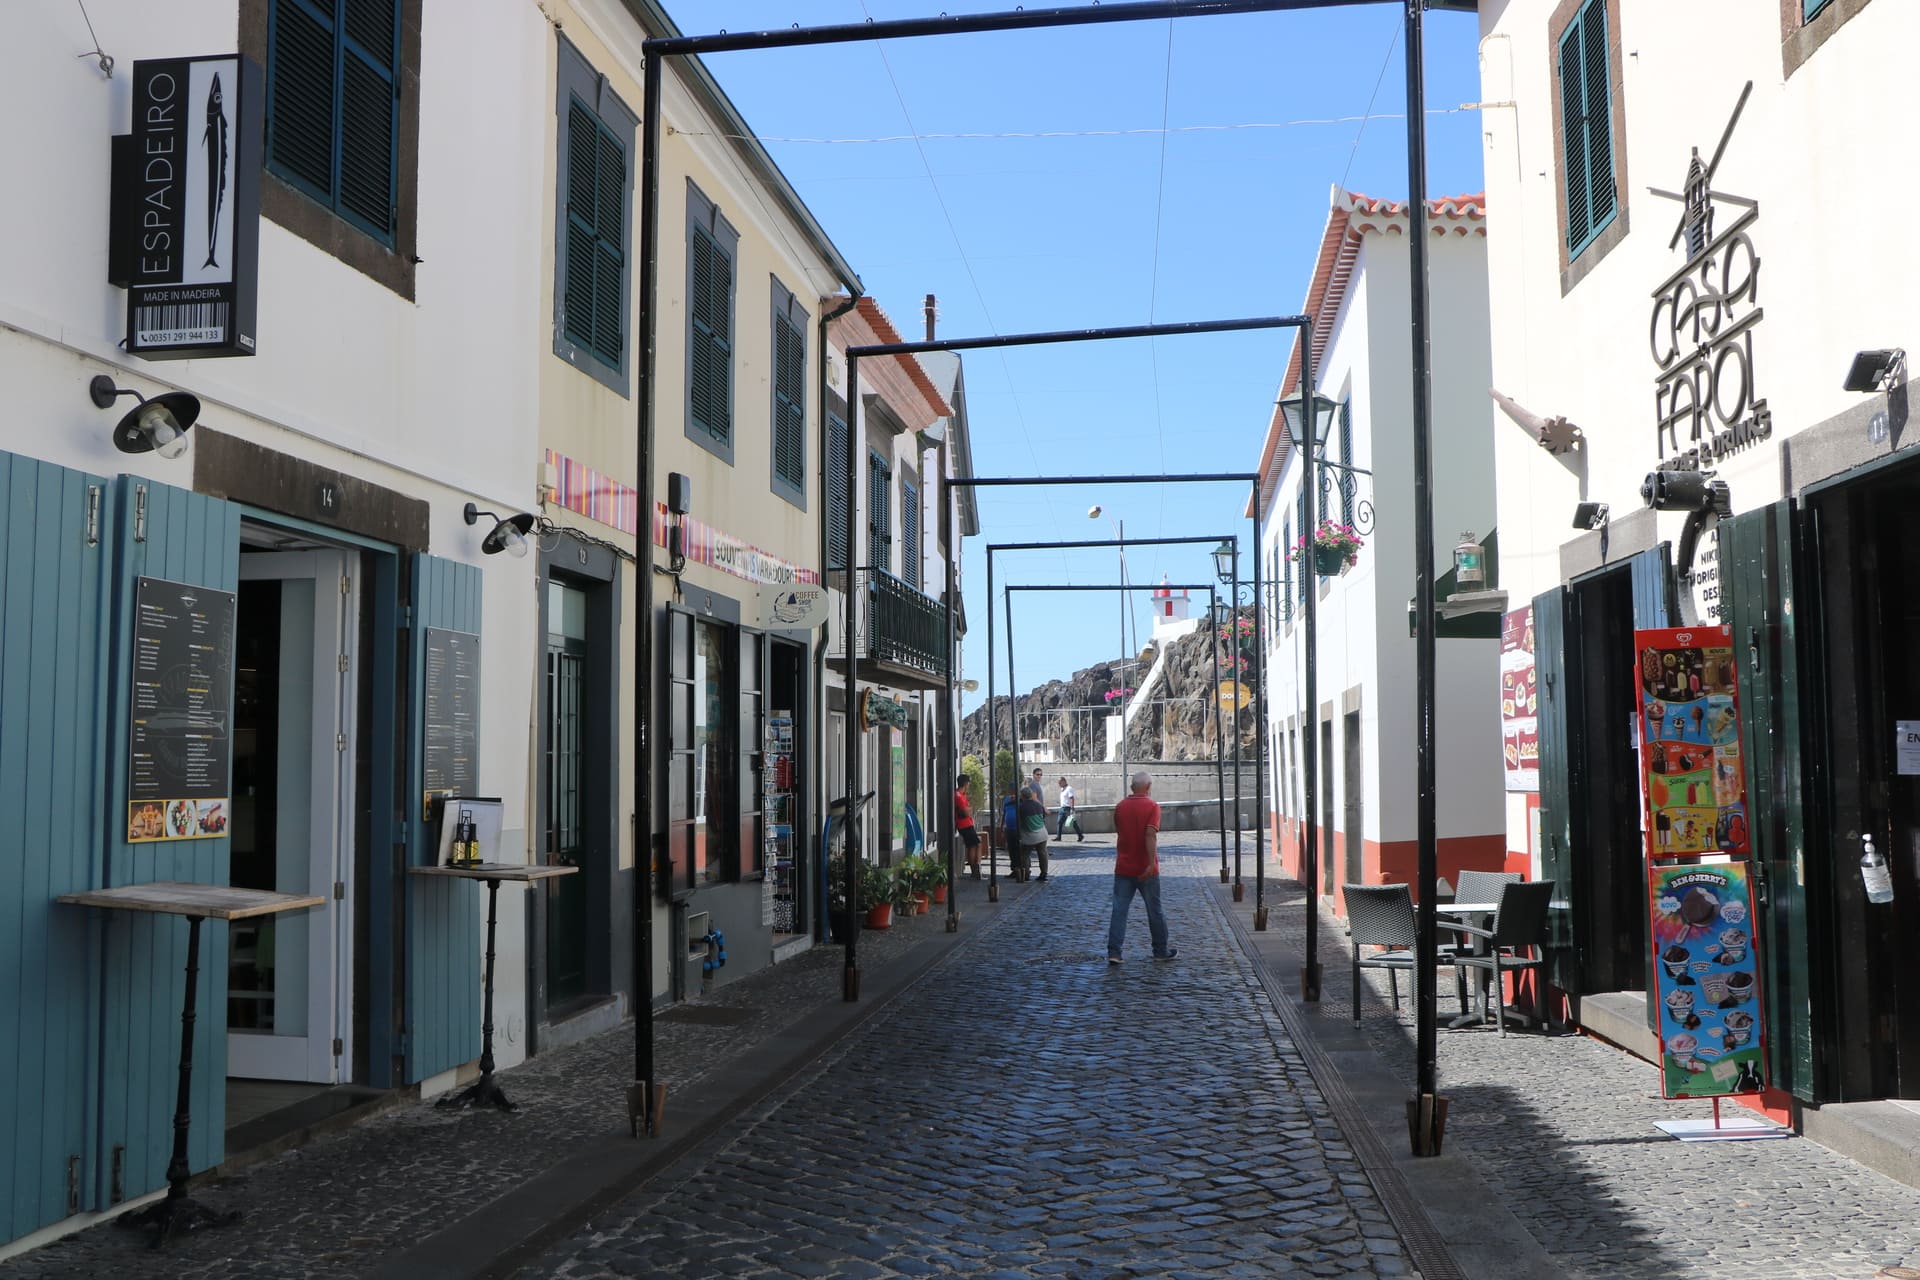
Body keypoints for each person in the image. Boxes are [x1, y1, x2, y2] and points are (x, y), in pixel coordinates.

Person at [1108, 770, 1175, 963]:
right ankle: (1160, 950)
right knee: (1154, 910)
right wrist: (1150, 863)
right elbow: (1150, 835)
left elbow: (1120, 831)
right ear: (1148, 787)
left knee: (1119, 910)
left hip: (1123, 866)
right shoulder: (1152, 806)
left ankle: (1114, 952)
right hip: (1146, 868)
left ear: (1132, 787)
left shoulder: (1120, 807)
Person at [1018, 784, 1051, 882]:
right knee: (1043, 853)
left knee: (1025, 854)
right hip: (1042, 833)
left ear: (1022, 796)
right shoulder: (1038, 804)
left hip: (1029, 835)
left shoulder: (1021, 807)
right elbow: (1043, 817)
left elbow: (1020, 822)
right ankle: (1044, 873)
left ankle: (1026, 874)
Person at [954, 773, 982, 879]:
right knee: (976, 844)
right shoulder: (959, 796)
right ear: (965, 784)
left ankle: (975, 868)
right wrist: (968, 811)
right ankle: (976, 868)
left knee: (973, 845)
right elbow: (967, 812)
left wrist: (969, 811)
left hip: (966, 824)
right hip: (964, 824)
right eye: (968, 783)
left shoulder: (962, 795)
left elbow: (969, 810)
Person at [1001, 788, 1023, 880]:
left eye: (1015, 793)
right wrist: (1002, 826)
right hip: (1009, 829)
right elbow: (1004, 813)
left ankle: (1022, 869)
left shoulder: (1021, 801)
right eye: (1012, 793)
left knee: (1019, 850)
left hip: (1018, 829)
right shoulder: (1006, 800)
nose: (1013, 795)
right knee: (1011, 850)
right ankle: (1014, 870)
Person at [1056, 776, 1084, 842]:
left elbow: (1071, 798)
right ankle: (1058, 837)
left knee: (1072, 823)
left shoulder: (1069, 788)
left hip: (1067, 809)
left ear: (1064, 781)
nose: (1059, 785)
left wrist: (1072, 808)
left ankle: (1080, 835)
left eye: (1060, 783)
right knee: (1059, 822)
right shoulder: (1062, 789)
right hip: (1062, 808)